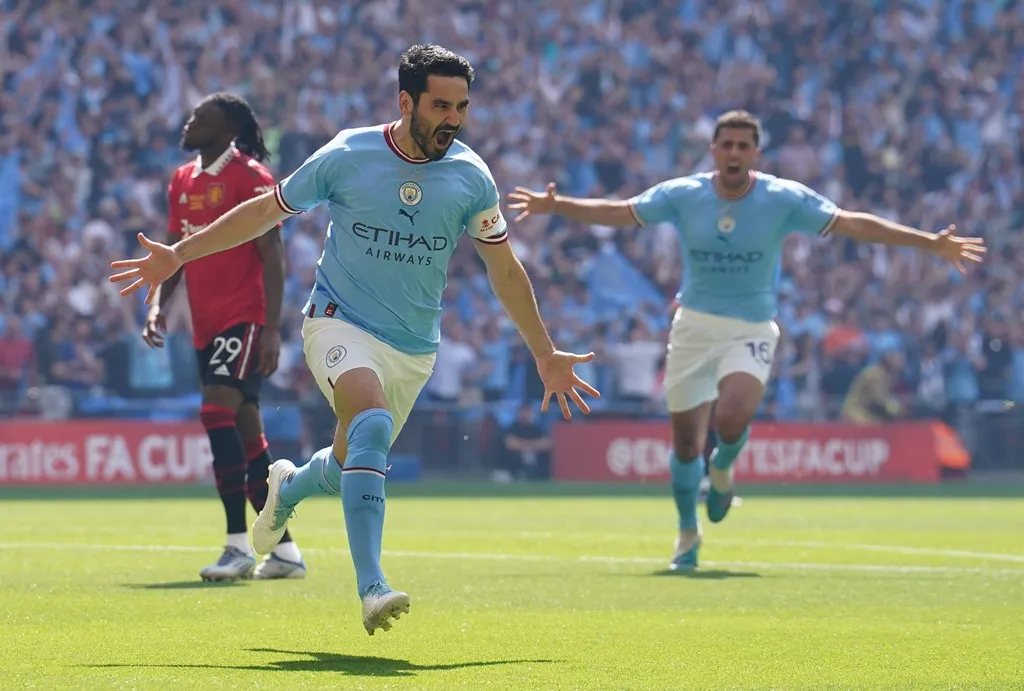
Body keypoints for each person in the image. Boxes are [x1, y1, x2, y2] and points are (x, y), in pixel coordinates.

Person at [109, 45, 599, 634]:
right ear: (405, 101)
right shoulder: (348, 153)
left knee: (349, 463)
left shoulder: (472, 176)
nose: (453, 118)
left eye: (462, 107)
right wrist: (179, 256)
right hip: (337, 323)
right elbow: (266, 211)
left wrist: (544, 353)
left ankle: (289, 486)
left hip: (414, 347)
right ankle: (373, 587)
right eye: (440, 105)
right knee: (370, 425)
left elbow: (504, 268)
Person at [507, 109, 985, 571]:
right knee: (685, 445)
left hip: (751, 329)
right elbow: (623, 212)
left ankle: (725, 468)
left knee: (731, 420)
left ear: (756, 152)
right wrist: (558, 205)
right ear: (713, 150)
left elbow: (853, 222)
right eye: (727, 144)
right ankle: (687, 533)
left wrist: (929, 243)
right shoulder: (684, 193)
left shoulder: (783, 198)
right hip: (693, 327)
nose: (734, 153)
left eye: (744, 145)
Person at [143, 92, 305, 582]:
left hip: (245, 317)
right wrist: (156, 304)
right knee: (247, 434)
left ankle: (237, 544)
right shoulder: (182, 180)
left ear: (228, 129)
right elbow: (174, 251)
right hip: (205, 320)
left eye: (202, 117)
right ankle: (286, 553)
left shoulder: (251, 177)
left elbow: (272, 254)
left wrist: (272, 328)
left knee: (216, 411)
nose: (190, 122)